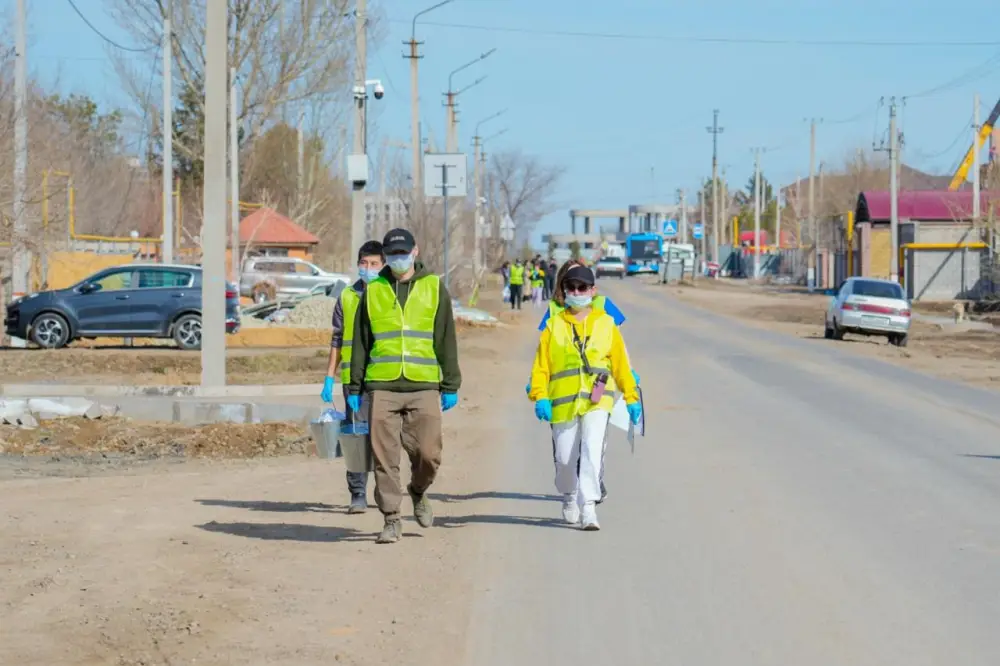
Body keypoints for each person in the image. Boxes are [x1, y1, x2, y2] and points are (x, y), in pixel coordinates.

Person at [347, 228, 462, 544]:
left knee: (428, 453)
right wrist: (353, 386)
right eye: (392, 254)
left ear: (415, 251)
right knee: (385, 458)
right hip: (382, 385)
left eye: (403, 252)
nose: (398, 259)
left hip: (423, 384)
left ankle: (419, 489)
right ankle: (391, 519)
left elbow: (445, 338)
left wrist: (450, 383)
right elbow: (360, 341)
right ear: (385, 256)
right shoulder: (374, 290)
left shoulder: (434, 287)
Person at [528, 264, 641, 531]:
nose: (576, 292)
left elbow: (621, 365)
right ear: (564, 291)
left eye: (582, 288)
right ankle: (569, 495)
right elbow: (541, 366)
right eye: (571, 288)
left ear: (593, 290)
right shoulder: (553, 326)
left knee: (592, 449)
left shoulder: (606, 324)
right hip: (563, 403)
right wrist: (540, 395)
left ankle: (588, 506)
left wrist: (631, 396)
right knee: (565, 458)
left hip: (597, 400)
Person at [321, 240, 384, 513]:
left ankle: (385, 491)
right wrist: (329, 377)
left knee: (384, 436)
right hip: (352, 381)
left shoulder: (390, 294)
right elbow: (337, 339)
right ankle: (357, 493)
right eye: (364, 263)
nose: (368, 269)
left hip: (385, 376)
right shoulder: (347, 296)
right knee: (355, 436)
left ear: (383, 266)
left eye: (373, 264)